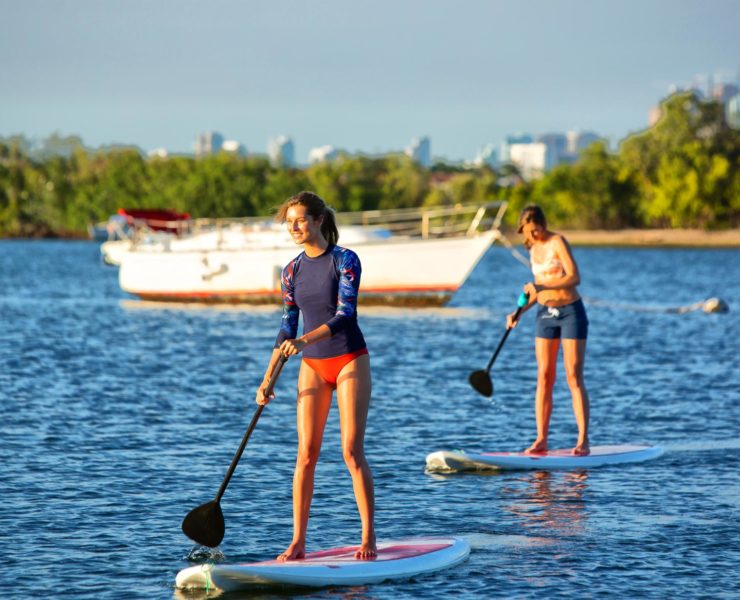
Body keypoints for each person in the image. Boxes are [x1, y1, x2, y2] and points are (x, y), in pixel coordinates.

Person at [256, 191, 377, 561]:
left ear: (319, 220)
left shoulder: (345, 260)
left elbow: (345, 315)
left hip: (348, 361)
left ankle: (368, 537)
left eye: (300, 220)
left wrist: (304, 340)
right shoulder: (291, 270)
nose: (293, 227)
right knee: (305, 455)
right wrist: (267, 378)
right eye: (289, 221)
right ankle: (298, 542)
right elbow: (286, 325)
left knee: (351, 452)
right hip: (312, 367)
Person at [506, 205, 590, 456]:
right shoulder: (533, 248)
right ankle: (541, 439)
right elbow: (536, 292)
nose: (532, 236)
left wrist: (540, 284)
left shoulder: (557, 241)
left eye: (535, 230)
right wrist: (518, 312)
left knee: (573, 376)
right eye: (527, 232)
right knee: (544, 376)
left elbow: (574, 277)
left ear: (543, 224)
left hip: (570, 312)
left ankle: (583, 440)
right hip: (544, 315)